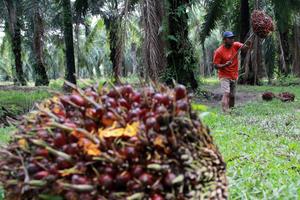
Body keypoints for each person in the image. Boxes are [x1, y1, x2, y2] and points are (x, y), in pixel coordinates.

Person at [213, 31, 251, 113]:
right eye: (229, 38)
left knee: (232, 96)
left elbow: (244, 48)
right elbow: (216, 65)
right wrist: (224, 65)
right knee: (226, 93)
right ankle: (225, 112)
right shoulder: (219, 51)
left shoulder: (236, 45)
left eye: (232, 38)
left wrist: (248, 45)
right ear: (224, 40)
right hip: (224, 75)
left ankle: (231, 111)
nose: (232, 40)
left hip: (234, 75)